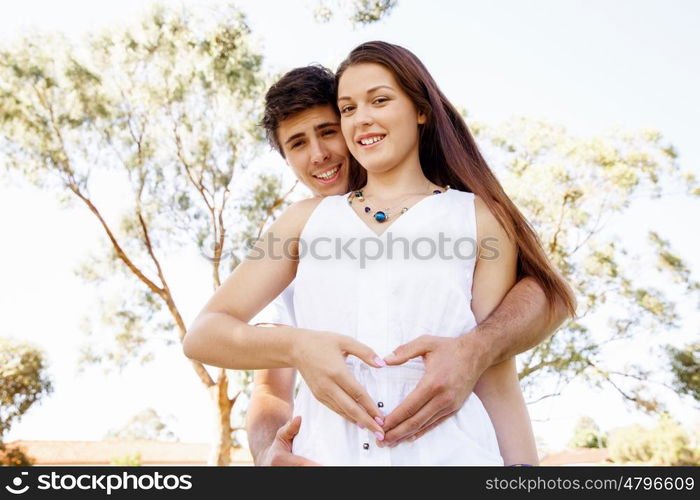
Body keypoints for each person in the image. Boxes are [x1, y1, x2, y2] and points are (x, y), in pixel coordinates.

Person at [183, 44, 576, 464]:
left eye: (379, 100)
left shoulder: (477, 218)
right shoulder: (303, 223)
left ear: (420, 109)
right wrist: (269, 441)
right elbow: (217, 344)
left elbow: (496, 374)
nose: (321, 152)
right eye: (348, 109)